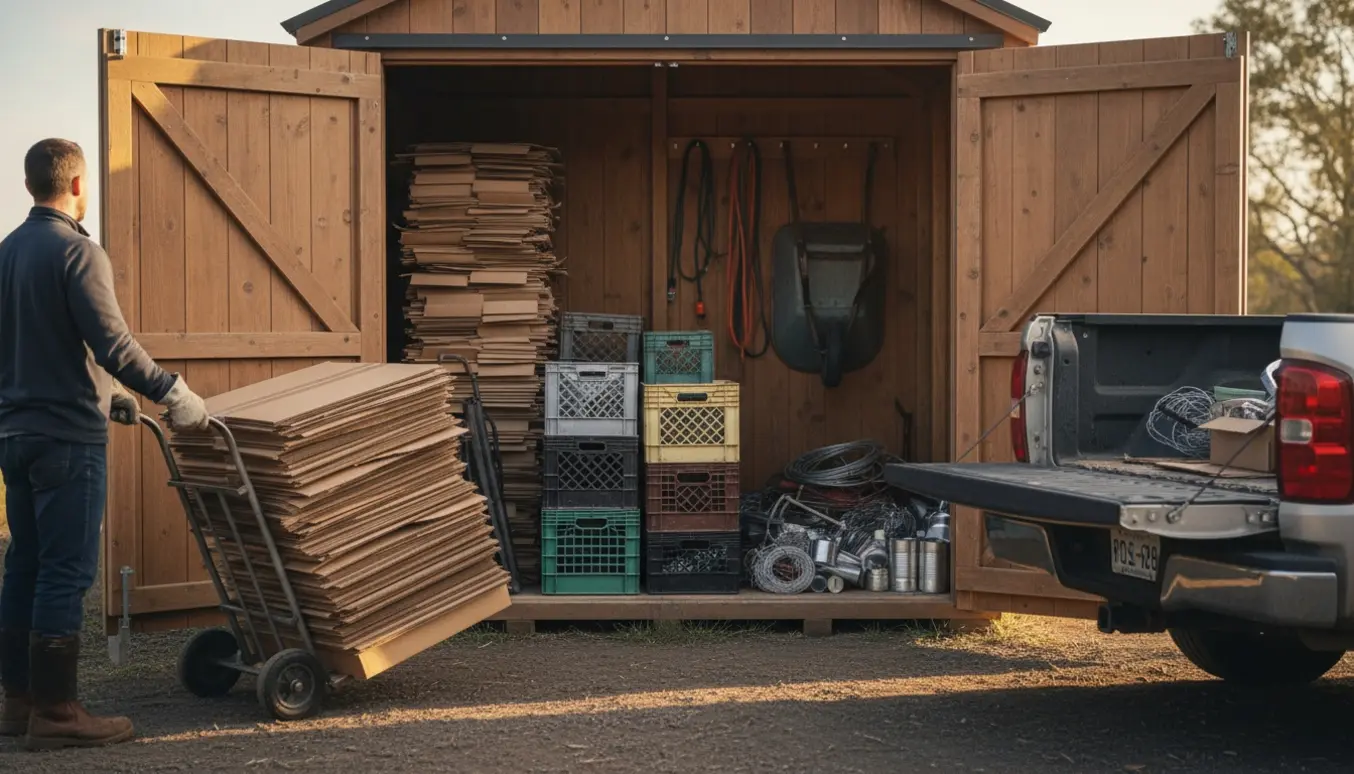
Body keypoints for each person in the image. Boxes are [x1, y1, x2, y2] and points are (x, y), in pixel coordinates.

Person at [0, 138, 210, 750]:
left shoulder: (8, 252)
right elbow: (112, 343)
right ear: (75, 185)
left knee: (26, 564)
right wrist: (171, 392)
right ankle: (60, 714)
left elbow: (43, 343)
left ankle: (18, 700)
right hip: (67, 439)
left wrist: (105, 390)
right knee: (66, 572)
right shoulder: (77, 252)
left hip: (15, 434)